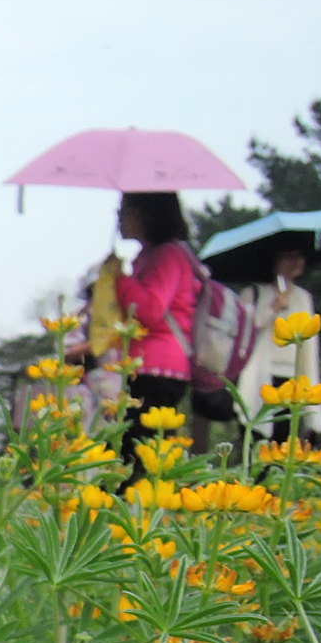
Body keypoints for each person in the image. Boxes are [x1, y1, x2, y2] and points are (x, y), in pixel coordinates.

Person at [106, 193, 199, 463]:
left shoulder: (168, 254)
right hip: (142, 364)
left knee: (136, 448)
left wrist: (120, 279)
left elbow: (151, 311)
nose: (120, 218)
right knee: (130, 444)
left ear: (148, 214)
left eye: (126, 210)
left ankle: (130, 500)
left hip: (159, 366)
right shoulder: (147, 255)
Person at [234, 245, 321, 447]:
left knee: (284, 437)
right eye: (288, 256)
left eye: (299, 256)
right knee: (256, 435)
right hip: (260, 374)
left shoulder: (304, 297)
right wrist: (274, 308)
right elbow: (246, 329)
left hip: (291, 374)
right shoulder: (253, 293)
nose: (295, 262)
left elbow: (309, 340)